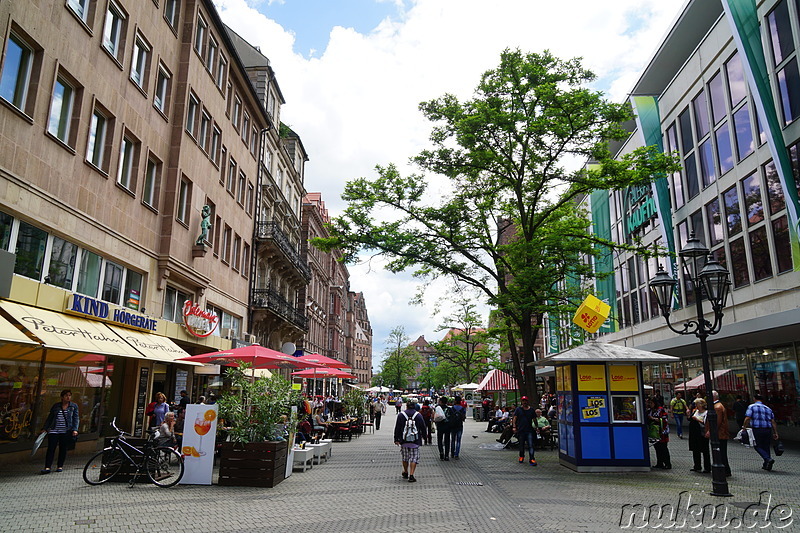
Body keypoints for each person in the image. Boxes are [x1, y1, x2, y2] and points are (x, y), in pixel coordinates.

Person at [40, 389, 80, 474]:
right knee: (51, 448)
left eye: (69, 395)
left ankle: (60, 466)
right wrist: (45, 428)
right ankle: (47, 467)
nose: (68, 397)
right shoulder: (56, 406)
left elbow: (76, 418)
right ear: (62, 397)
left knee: (63, 449)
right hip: (54, 430)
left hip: (66, 431)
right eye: (66, 395)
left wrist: (75, 429)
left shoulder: (73, 406)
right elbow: (50, 418)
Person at [743, 393, 780, 471]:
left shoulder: (751, 407)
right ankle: (766, 464)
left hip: (757, 429)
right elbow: (773, 421)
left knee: (757, 445)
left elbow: (747, 418)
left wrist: (744, 427)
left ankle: (767, 459)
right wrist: (775, 432)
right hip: (767, 429)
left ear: (754, 399)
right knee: (766, 446)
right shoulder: (768, 408)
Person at [394, 400, 426, 482]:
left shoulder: (401, 415)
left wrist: (396, 439)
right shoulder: (418, 415)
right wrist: (425, 437)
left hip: (404, 440)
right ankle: (411, 475)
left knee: (405, 457)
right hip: (415, 440)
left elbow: (397, 427)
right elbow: (423, 427)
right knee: (413, 458)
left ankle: (405, 471)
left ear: (406, 406)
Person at [704, 390, 731, 476]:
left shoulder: (717, 407)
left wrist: (710, 431)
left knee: (721, 453)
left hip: (720, 434)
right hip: (720, 433)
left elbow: (717, 421)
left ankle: (725, 470)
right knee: (721, 452)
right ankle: (724, 470)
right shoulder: (717, 406)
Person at [512, 396, 537, 466]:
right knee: (521, 444)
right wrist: (514, 427)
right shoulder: (518, 409)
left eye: (525, 401)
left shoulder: (531, 410)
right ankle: (521, 456)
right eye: (523, 401)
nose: (524, 402)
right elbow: (515, 418)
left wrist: (536, 427)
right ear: (521, 402)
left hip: (529, 430)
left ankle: (532, 458)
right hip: (521, 430)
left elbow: (534, 419)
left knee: (530, 445)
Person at [647, 397, 671, 469]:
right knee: (657, 447)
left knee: (663, 448)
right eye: (649, 403)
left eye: (651, 403)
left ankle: (667, 463)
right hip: (654, 432)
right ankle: (659, 462)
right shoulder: (650, 410)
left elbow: (664, 419)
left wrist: (653, 418)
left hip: (662, 431)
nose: (650, 404)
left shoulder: (660, 409)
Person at [688, 398, 710, 473]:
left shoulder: (706, 413)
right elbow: (690, 419)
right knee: (695, 450)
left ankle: (707, 467)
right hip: (694, 433)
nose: (696, 406)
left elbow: (705, 423)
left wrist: (697, 419)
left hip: (702, 433)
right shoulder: (695, 411)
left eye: (697, 404)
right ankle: (697, 466)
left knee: (705, 451)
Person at [433, 396, 451, 461]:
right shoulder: (449, 409)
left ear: (440, 401)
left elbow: (434, 416)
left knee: (440, 440)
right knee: (447, 440)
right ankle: (446, 455)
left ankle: (441, 453)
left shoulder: (437, 408)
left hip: (440, 426)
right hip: (447, 426)